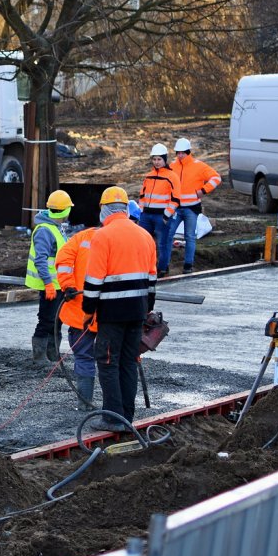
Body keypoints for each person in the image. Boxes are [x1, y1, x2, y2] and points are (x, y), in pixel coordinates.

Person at [82, 187, 158, 430]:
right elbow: (152, 282)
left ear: (104, 210)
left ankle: (113, 418)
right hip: (137, 312)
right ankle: (127, 416)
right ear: (126, 209)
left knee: (107, 362)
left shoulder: (102, 237)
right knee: (128, 362)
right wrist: (146, 310)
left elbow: (93, 282)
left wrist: (87, 312)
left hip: (112, 314)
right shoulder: (145, 235)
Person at [26, 190, 72, 363]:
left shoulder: (56, 228)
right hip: (51, 286)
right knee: (46, 321)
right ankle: (39, 358)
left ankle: (53, 355)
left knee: (57, 320)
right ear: (66, 210)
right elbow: (40, 260)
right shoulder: (45, 230)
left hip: (59, 285)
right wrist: (48, 284)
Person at [54, 223, 97, 406]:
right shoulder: (136, 237)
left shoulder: (82, 238)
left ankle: (85, 404)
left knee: (84, 356)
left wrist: (68, 285)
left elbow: (64, 261)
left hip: (83, 312)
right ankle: (118, 409)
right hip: (117, 314)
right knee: (116, 359)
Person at [169, 137, 222, 274]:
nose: (180, 155)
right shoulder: (172, 166)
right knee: (168, 234)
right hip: (175, 208)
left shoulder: (198, 166)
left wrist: (203, 190)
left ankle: (188, 265)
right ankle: (165, 264)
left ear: (188, 152)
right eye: (178, 153)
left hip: (191, 208)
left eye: (182, 153)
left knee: (190, 237)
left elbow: (216, 178)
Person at [137, 144, 179, 276]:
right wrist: (142, 212)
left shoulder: (172, 176)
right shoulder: (148, 176)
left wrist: (167, 215)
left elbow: (176, 199)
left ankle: (162, 268)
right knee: (143, 243)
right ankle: (144, 268)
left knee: (163, 244)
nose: (156, 162)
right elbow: (142, 195)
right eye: (154, 159)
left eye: (159, 159)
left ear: (164, 159)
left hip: (162, 217)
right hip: (146, 216)